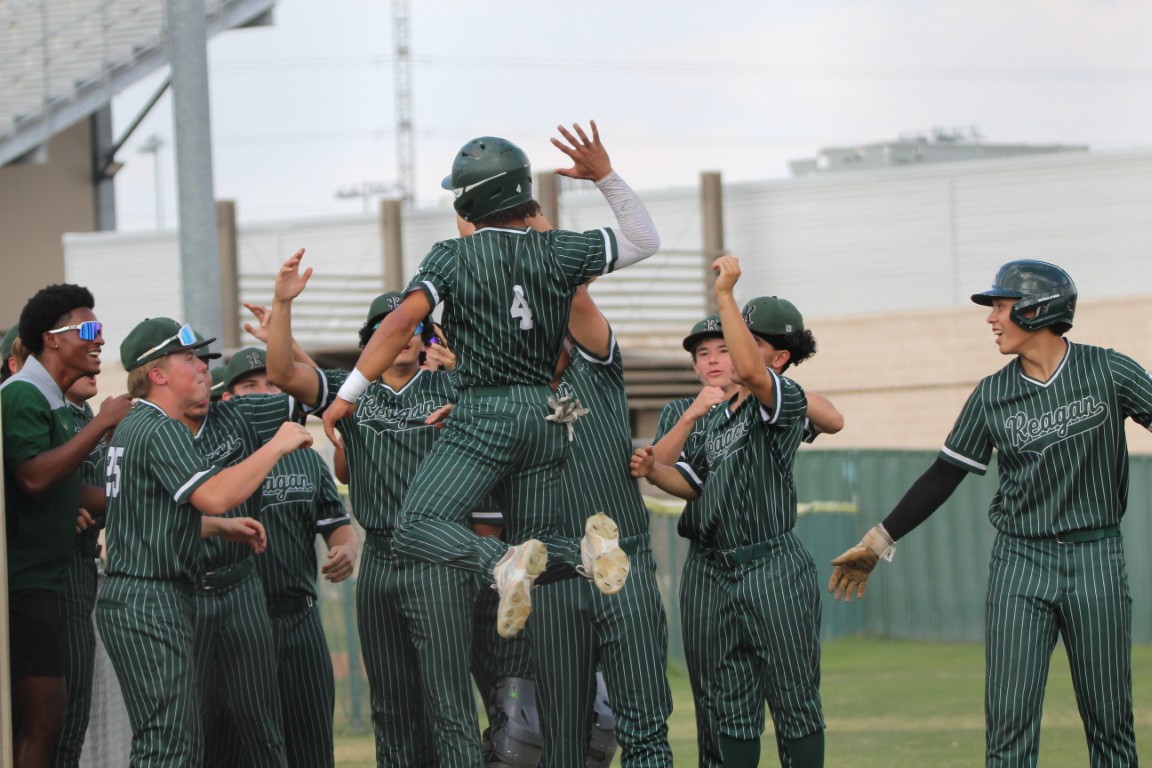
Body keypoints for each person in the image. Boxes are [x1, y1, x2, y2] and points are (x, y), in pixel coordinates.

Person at [319, 120, 660, 638]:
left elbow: (400, 322)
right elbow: (643, 239)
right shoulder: (557, 250)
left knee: (414, 529)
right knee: (536, 548)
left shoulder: (452, 255)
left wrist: (347, 394)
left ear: (468, 202)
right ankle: (586, 552)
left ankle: (500, 563)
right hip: (542, 418)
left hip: (485, 414)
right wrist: (605, 177)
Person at [828, 259, 1147, 767]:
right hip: (1020, 563)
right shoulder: (992, 394)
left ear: (1037, 309)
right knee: (1008, 724)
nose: (991, 318)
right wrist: (877, 540)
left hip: (1096, 558)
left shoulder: (1109, 370)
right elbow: (943, 475)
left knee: (1110, 723)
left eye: (1001, 305)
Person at [631, 256, 843, 768]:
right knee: (728, 705)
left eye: (741, 341)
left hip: (770, 563)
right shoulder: (715, 413)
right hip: (710, 566)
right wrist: (654, 469)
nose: (726, 352)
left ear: (779, 357)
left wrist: (725, 294)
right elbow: (689, 483)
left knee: (793, 698)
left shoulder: (778, 397)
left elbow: (827, 414)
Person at [265, 285, 480, 766]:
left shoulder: (451, 387)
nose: (400, 335)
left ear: (426, 337)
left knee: (447, 703)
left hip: (437, 556)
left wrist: (461, 367)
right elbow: (281, 373)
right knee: (390, 703)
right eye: (386, 328)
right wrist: (282, 304)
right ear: (370, 341)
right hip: (380, 559)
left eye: (412, 327)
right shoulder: (351, 391)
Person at [95, 316, 311, 768]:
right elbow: (214, 495)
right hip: (149, 599)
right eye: (188, 357)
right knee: (169, 744)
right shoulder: (160, 427)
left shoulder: (135, 424)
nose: (201, 366)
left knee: (171, 740)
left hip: (139, 595)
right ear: (158, 374)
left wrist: (217, 527)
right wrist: (276, 445)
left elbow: (147, 518)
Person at [525, 282, 672, 767]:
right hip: (553, 576)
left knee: (644, 728)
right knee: (562, 739)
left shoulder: (596, 368)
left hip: (620, 566)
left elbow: (573, 294)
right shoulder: (506, 399)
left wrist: (532, 250)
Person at [1, 284, 132, 768]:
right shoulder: (22, 393)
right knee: (43, 722)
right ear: (52, 339)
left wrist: (148, 500)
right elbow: (35, 478)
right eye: (89, 329)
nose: (100, 340)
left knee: (53, 722)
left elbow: (69, 491)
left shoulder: (52, 399)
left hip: (48, 584)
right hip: (25, 587)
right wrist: (101, 424)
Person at [219, 347, 358, 768]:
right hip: (238, 621)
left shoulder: (307, 458)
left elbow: (337, 526)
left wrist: (346, 547)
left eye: (272, 385)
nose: (264, 394)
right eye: (250, 386)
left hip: (299, 619)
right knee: (244, 749)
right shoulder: (216, 459)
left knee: (312, 746)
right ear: (227, 398)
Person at [51, 373, 113, 768]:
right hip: (57, 568)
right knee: (56, 720)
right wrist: (62, 506)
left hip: (84, 562)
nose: (94, 356)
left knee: (73, 719)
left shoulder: (85, 412)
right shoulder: (43, 409)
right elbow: (31, 478)